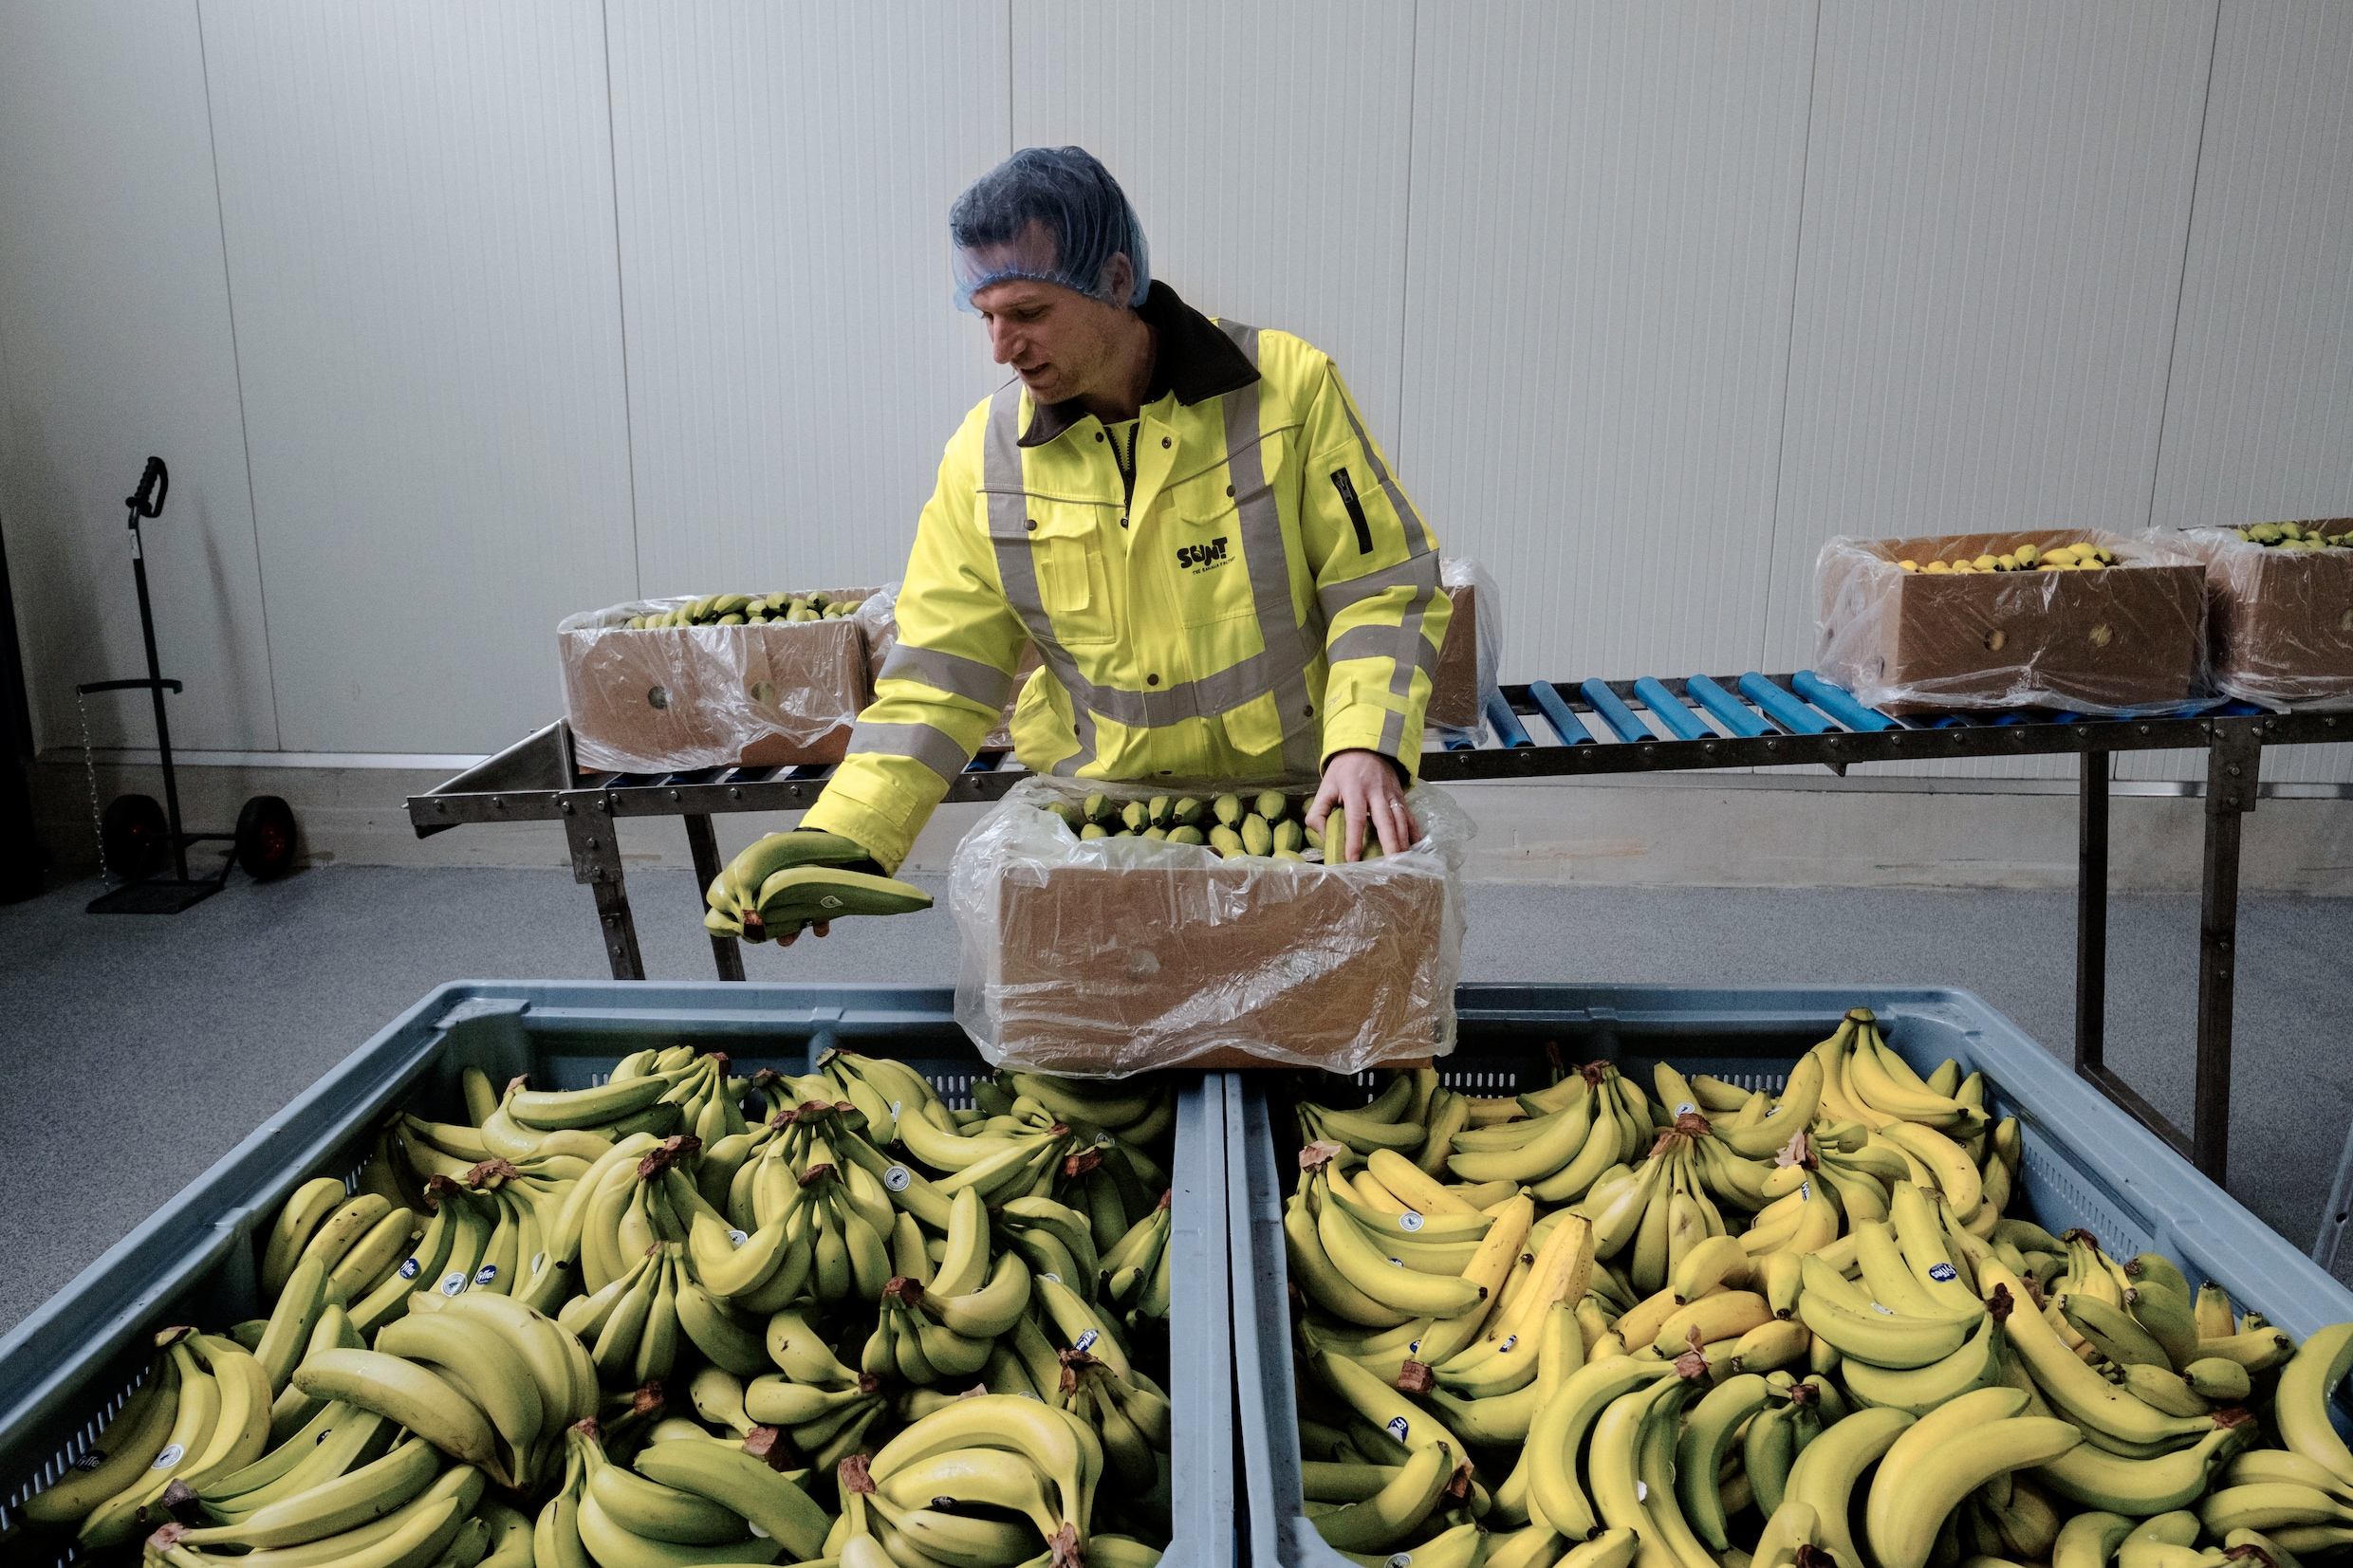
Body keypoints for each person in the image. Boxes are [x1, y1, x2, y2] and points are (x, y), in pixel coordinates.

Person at [768, 146, 1449, 944]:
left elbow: (1381, 586)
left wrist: (1366, 744)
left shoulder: (1286, 394)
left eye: (1026, 313)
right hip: (1098, 834)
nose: (1000, 347)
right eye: (985, 316)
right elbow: (939, 679)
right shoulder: (986, 462)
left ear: (1117, 280)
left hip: (1297, 810)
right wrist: (848, 835)